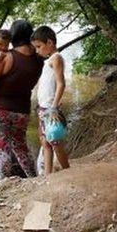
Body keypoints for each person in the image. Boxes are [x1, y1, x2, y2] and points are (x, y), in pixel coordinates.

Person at [0, 19, 44, 179]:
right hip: (21, 111)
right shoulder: (38, 60)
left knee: (2, 148)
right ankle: (33, 178)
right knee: (21, 147)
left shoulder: (7, 57)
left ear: (13, 36)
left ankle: (4, 184)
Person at [31, 25, 70, 175]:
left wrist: (54, 107)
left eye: (39, 46)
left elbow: (61, 83)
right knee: (45, 142)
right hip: (43, 108)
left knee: (55, 142)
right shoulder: (48, 61)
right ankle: (47, 176)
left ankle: (67, 171)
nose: (37, 50)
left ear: (50, 43)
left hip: (50, 109)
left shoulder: (56, 58)